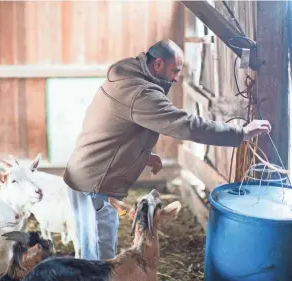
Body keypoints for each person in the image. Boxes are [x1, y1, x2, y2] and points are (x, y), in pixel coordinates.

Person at [63, 39, 271, 261]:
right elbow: (186, 125)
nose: (176, 77)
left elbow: (113, 131)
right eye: (175, 70)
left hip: (86, 174)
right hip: (95, 184)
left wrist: (142, 155)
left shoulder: (126, 76)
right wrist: (240, 133)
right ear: (159, 64)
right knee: (99, 257)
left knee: (94, 249)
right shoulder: (139, 93)